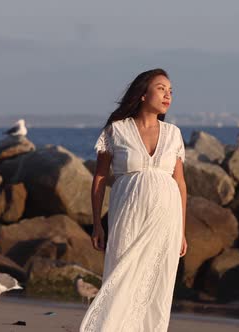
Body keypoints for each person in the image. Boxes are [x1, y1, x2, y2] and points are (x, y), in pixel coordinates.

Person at [80, 68, 188, 332]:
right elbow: (99, 179)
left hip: (166, 221)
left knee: (156, 284)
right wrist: (97, 224)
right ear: (142, 94)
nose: (168, 95)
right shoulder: (116, 131)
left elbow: (180, 183)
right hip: (128, 216)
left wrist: (182, 231)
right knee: (121, 277)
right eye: (161, 88)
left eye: (170, 91)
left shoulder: (173, 133)